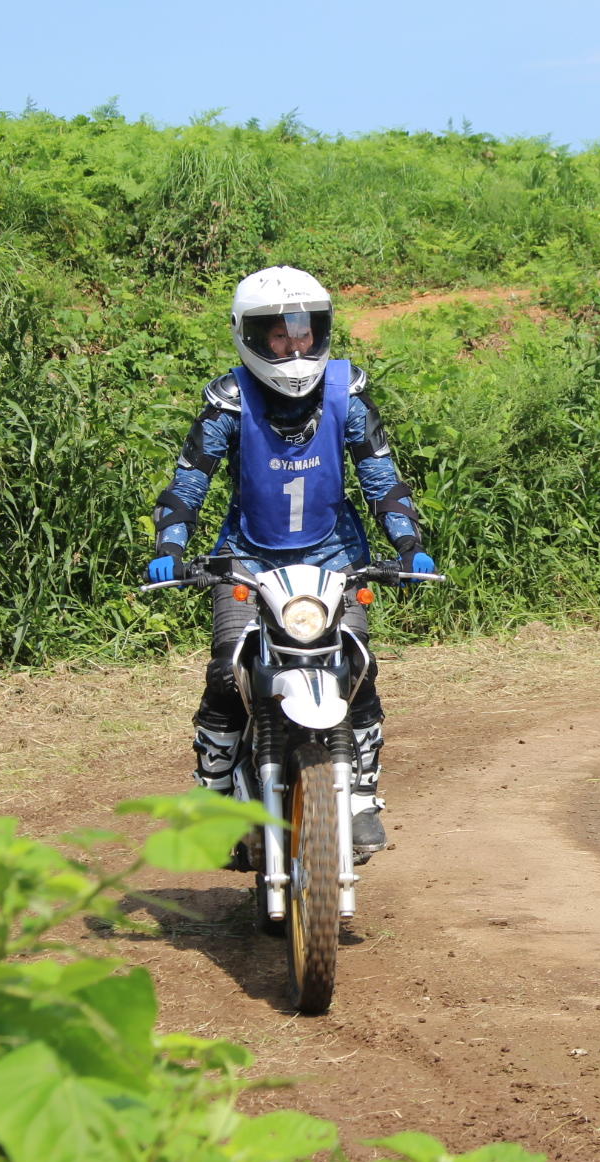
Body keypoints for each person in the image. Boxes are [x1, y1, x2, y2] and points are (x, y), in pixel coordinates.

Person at [145, 265, 435, 862]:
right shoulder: (228, 399)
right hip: (245, 561)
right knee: (229, 674)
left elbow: (381, 477)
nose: (295, 345)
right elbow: (188, 481)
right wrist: (171, 547)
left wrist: (407, 542)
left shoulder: (345, 390)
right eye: (279, 334)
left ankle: (359, 797)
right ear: (251, 337)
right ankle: (215, 796)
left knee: (358, 672)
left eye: (305, 331)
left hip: (337, 559)